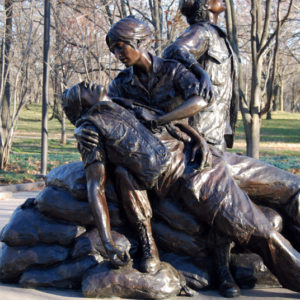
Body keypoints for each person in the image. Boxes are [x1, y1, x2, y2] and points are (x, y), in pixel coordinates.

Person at [63, 79, 300, 295]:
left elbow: (170, 121)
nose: (86, 82)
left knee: (291, 186)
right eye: (80, 89)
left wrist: (199, 140)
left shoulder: (123, 102)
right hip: (195, 179)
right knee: (260, 231)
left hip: (210, 157)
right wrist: (107, 243)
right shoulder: (89, 129)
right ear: (80, 107)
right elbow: (96, 187)